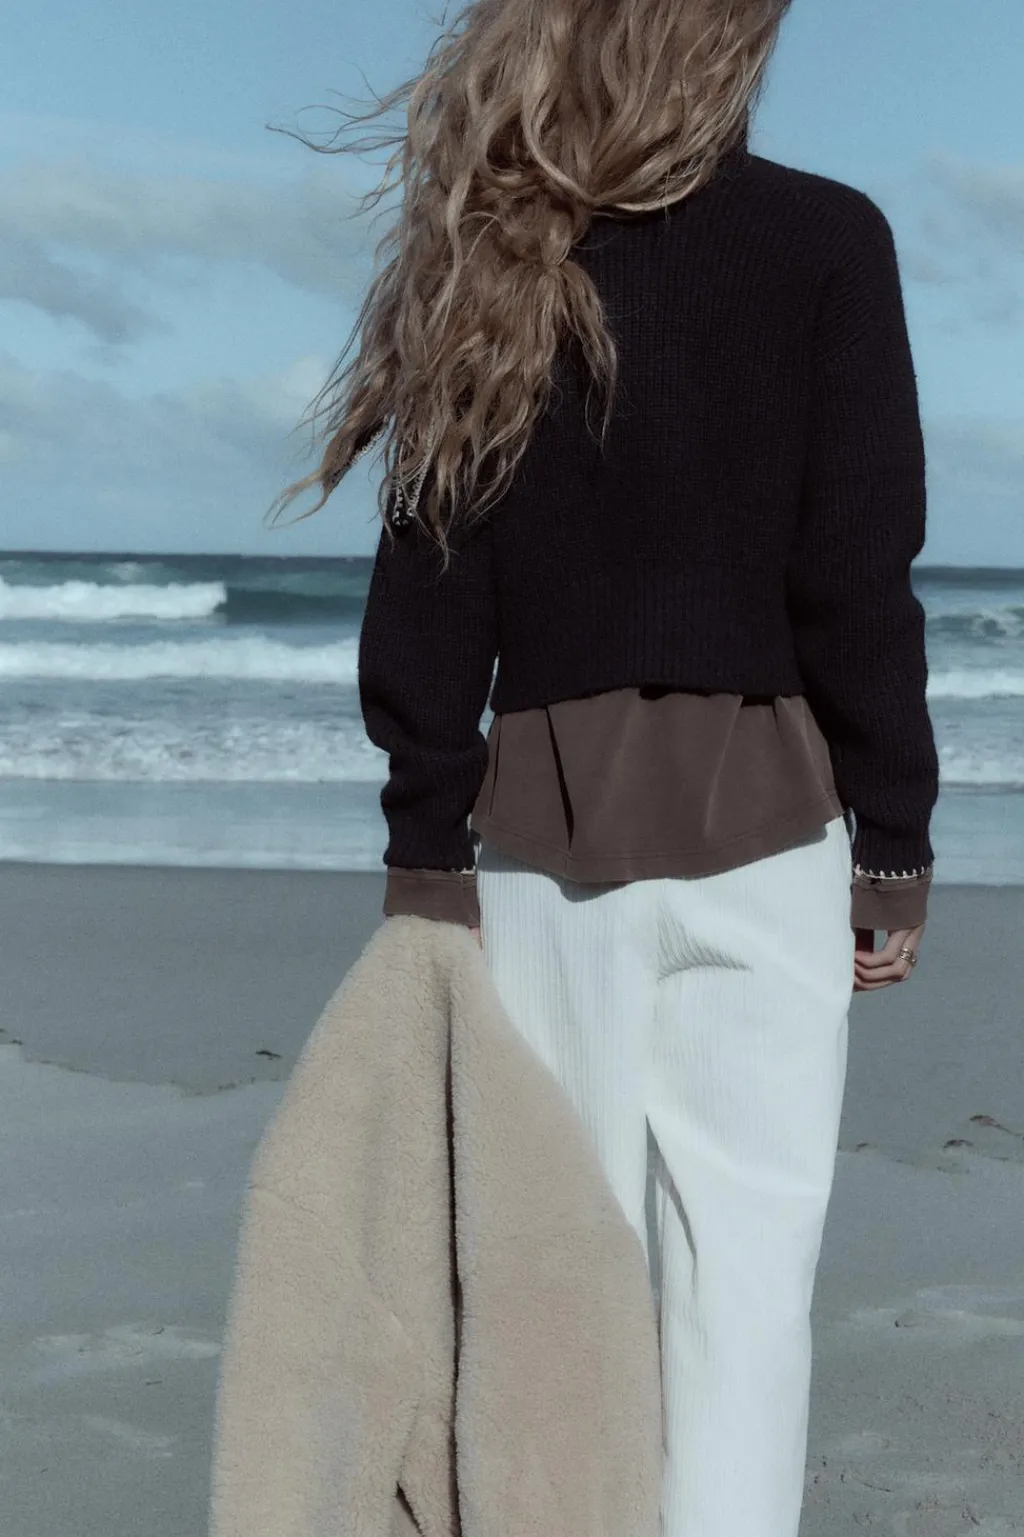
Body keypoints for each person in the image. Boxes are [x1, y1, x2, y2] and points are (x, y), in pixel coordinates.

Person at [268, 1, 939, 1532]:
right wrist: (894, 841)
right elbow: (857, 570)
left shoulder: (497, 248)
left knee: (544, 1286)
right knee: (748, 1290)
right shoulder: (830, 239)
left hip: (539, 860)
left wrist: (424, 857)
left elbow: (430, 585)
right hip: (771, 835)